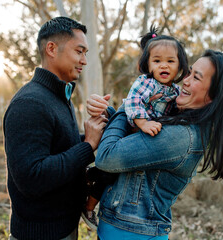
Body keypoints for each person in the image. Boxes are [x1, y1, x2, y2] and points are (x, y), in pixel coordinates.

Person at [87, 49, 223, 239]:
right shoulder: (175, 117)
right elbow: (130, 142)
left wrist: (128, 107)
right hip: (120, 230)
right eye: (190, 72)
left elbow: (107, 157)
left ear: (213, 96)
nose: (185, 80)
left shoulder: (182, 136)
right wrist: (108, 113)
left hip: (132, 234)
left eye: (196, 78)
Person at [3, 16, 110, 240]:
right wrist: (88, 145)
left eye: (85, 53)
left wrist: (96, 135)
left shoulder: (59, 97)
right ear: (51, 49)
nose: (84, 60)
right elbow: (32, 177)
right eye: (79, 51)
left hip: (63, 228)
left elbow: (57, 148)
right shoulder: (30, 103)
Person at [81, 26, 189, 230]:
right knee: (109, 172)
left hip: (145, 137)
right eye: (157, 61)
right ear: (147, 65)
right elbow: (132, 103)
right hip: (131, 131)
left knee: (118, 172)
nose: (163, 66)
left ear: (180, 66)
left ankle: (89, 177)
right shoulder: (145, 83)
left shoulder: (175, 90)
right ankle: (88, 207)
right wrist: (143, 122)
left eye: (170, 61)